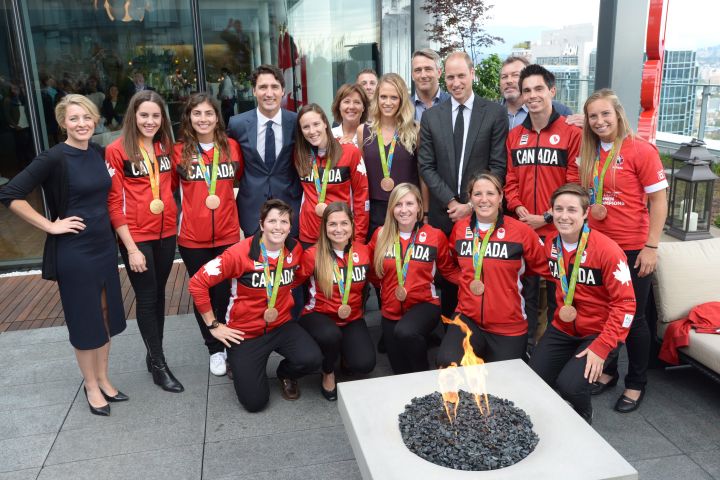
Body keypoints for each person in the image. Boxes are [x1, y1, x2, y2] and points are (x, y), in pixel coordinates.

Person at [0, 94, 127, 416]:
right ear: (62, 123)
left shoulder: (98, 153)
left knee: (104, 314)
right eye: (74, 119)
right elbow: (10, 193)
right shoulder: (54, 158)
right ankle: (90, 385)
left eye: (86, 117)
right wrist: (49, 226)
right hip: (75, 252)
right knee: (84, 320)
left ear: (95, 120)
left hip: (103, 247)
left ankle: (103, 377)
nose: (81, 124)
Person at [573, 88, 668, 413]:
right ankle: (610, 371)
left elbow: (658, 201)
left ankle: (636, 383)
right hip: (597, 247)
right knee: (604, 314)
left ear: (618, 115)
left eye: (605, 114)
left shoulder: (640, 150)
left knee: (634, 318)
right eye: (592, 116)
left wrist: (651, 247)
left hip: (631, 248)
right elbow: (578, 193)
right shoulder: (586, 151)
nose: (599, 121)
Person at [188, 199, 323, 412]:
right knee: (255, 403)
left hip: (281, 325)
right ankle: (236, 362)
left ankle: (286, 373)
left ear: (290, 226)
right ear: (261, 225)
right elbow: (197, 283)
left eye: (284, 222)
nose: (278, 227)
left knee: (313, 359)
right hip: (245, 333)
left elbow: (296, 279)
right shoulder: (238, 253)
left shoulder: (294, 249)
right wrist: (214, 325)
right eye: (272, 221)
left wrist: (281, 293)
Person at [530, 183, 636, 424]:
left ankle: (583, 415)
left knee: (569, 386)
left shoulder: (608, 250)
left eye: (571, 210)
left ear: (585, 213)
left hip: (599, 334)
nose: (564, 216)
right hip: (563, 328)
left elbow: (626, 305)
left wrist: (603, 346)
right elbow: (534, 267)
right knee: (534, 377)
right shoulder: (550, 245)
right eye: (558, 209)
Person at [418, 50, 507, 317]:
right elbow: (426, 165)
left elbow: (498, 166)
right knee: (446, 279)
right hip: (443, 213)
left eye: (461, 76)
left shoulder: (494, 113)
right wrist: (451, 201)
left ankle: (481, 332)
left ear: (472, 74)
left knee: (481, 274)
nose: (456, 83)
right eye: (451, 77)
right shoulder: (432, 116)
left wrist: (470, 205)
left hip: (480, 213)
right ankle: (450, 334)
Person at [106, 90, 184, 393]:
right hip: (138, 237)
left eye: (155, 115)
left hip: (166, 234)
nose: (150, 121)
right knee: (148, 297)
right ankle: (159, 364)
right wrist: (131, 247)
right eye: (144, 115)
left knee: (159, 295)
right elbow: (114, 203)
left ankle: (153, 355)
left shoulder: (166, 147)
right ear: (133, 116)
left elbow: (173, 186)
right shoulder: (116, 150)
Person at [504, 64, 582, 354]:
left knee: (559, 294)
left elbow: (574, 183)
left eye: (539, 89)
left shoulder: (570, 133)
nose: (533, 95)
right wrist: (520, 210)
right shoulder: (514, 137)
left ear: (552, 91)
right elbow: (509, 180)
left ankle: (554, 353)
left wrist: (548, 216)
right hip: (524, 227)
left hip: (558, 229)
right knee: (527, 291)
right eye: (527, 90)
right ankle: (526, 351)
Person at [437, 172, 547, 365]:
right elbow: (452, 264)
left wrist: (508, 283)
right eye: (478, 194)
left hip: (508, 325)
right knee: (448, 363)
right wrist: (465, 281)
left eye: (490, 193)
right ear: (470, 198)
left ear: (501, 197)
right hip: (467, 318)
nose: (484, 199)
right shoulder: (460, 229)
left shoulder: (521, 232)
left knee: (503, 385)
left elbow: (543, 267)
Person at [172, 92, 244, 377]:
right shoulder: (178, 152)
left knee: (226, 292)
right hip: (192, 238)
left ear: (217, 117)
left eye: (209, 113)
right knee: (202, 291)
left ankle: (226, 340)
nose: (203, 119)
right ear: (189, 118)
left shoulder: (233, 148)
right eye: (197, 114)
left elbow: (239, 184)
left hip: (227, 235)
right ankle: (214, 348)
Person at [368, 183, 457, 374]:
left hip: (424, 305)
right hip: (391, 310)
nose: (404, 210)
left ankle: (424, 372)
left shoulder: (435, 236)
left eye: (409, 204)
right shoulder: (380, 235)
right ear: (391, 208)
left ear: (418, 207)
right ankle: (421, 342)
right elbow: (373, 273)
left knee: (407, 333)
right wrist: (387, 290)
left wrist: (482, 283)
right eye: (398, 204)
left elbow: (449, 271)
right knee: (400, 370)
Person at [297, 202, 375, 401]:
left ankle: (346, 354)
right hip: (319, 315)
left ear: (352, 225)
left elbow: (377, 279)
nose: (338, 229)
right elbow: (291, 283)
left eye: (344, 223)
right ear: (324, 227)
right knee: (330, 335)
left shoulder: (364, 252)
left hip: (352, 317)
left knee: (364, 364)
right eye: (332, 224)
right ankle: (328, 370)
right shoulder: (312, 255)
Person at [227, 64, 301, 238]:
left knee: (289, 262)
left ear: (283, 90)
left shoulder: (297, 122)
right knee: (255, 262)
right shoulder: (237, 124)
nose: (269, 93)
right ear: (254, 91)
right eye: (262, 87)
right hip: (252, 210)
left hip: (289, 208)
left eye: (274, 87)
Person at [357, 73, 423, 238]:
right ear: (376, 98)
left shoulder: (415, 130)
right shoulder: (363, 131)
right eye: (383, 97)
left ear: (402, 100)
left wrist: (426, 212)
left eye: (394, 97)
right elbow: (360, 177)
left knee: (404, 260)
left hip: (407, 209)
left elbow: (423, 175)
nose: (387, 102)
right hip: (374, 211)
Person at [295, 103, 369, 246]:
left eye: (316, 124)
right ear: (301, 131)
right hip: (309, 236)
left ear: (325, 124)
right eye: (306, 127)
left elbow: (362, 197)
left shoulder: (350, 152)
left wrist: (358, 238)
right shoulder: (299, 155)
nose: (312, 131)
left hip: (340, 234)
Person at [499, 56, 583, 129]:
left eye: (515, 75)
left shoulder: (560, 111)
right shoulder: (490, 113)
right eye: (504, 77)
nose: (509, 81)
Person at [411, 48, 450, 122]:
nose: (423, 75)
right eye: (418, 70)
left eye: (428, 69)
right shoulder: (404, 108)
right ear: (412, 75)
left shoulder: (453, 104)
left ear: (439, 73)